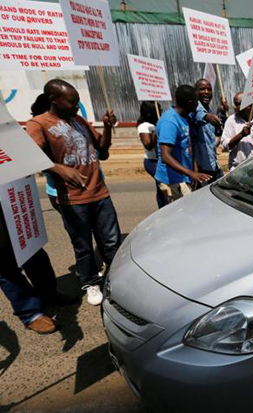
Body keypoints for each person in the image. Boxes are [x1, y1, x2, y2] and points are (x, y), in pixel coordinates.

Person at [26, 79, 121, 306]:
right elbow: (29, 156)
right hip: (73, 199)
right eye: (72, 101)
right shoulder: (38, 124)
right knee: (83, 246)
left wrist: (107, 127)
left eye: (78, 101)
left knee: (112, 243)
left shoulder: (78, 120)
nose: (77, 106)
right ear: (53, 100)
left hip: (100, 193)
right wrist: (58, 168)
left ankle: (118, 278)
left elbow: (103, 150)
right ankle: (90, 283)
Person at [0, 213, 73, 334]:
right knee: (5, 265)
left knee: (32, 248)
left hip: (13, 203)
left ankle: (48, 292)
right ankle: (30, 313)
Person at [155, 85, 210, 204]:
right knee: (184, 214)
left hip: (184, 176)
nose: (198, 103)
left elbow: (187, 145)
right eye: (196, 100)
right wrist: (191, 173)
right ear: (190, 102)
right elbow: (165, 156)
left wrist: (193, 168)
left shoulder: (185, 116)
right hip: (174, 180)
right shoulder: (169, 122)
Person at [220, 92, 253, 170]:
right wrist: (241, 135)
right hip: (236, 172)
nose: (234, 107)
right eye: (234, 103)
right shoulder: (231, 120)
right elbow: (225, 147)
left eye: (237, 104)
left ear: (249, 106)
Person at [191, 79, 225, 187]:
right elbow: (197, 116)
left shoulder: (210, 111)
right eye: (202, 89)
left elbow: (212, 141)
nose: (206, 92)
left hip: (213, 166)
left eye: (209, 89)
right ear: (195, 92)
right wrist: (207, 117)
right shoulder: (194, 109)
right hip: (201, 170)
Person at [137, 101, 167, 208]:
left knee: (161, 187)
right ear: (151, 112)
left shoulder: (154, 124)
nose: (161, 111)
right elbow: (148, 144)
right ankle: (163, 207)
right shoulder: (145, 126)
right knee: (164, 186)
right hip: (152, 161)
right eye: (158, 109)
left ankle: (163, 207)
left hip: (160, 160)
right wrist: (156, 131)